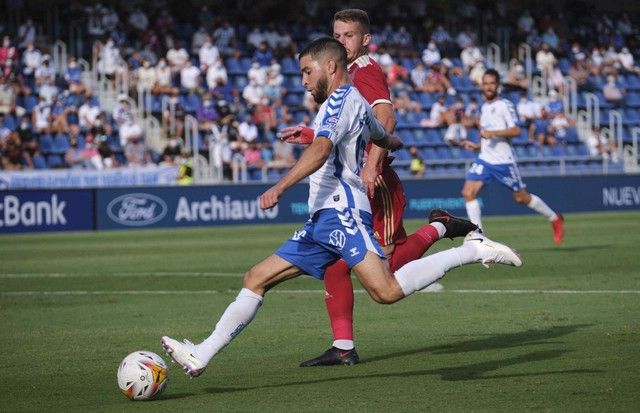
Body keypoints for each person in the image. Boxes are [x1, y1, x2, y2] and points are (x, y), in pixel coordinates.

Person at [161, 37, 522, 378]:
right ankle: (202, 354)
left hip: (342, 211)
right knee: (256, 278)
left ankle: (471, 250)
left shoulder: (338, 102)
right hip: (321, 218)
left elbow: (321, 151)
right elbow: (383, 135)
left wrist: (280, 186)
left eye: (307, 71)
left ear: (330, 66)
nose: (302, 80)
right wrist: (385, 144)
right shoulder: (353, 104)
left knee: (386, 291)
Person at [281, 10, 478, 367]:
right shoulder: (342, 73)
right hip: (357, 182)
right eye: (337, 35)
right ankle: (343, 347)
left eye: (349, 36)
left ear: (365, 40)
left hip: (375, 183)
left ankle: (440, 228)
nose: (341, 41)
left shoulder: (364, 70)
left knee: (382, 273)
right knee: (338, 267)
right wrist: (310, 135)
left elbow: (385, 118)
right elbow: (351, 128)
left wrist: (372, 166)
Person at [460, 69, 564, 244]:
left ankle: (555, 218)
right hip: (485, 159)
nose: (488, 87)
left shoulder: (505, 105)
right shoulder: (484, 107)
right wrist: (477, 145)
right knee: (468, 192)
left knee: (521, 197)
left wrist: (492, 133)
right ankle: (480, 238)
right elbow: (488, 135)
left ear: (498, 85)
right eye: (485, 84)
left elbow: (516, 130)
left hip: (503, 162)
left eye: (492, 83)